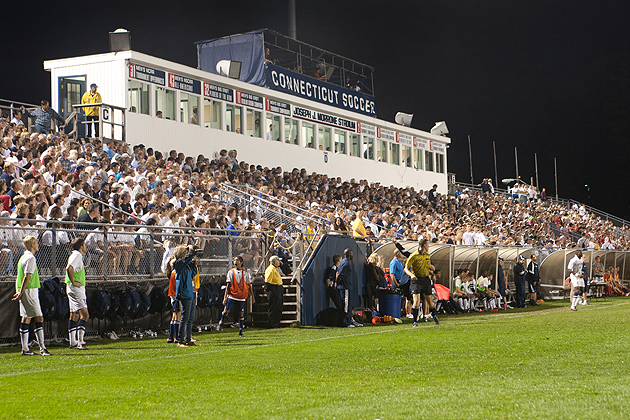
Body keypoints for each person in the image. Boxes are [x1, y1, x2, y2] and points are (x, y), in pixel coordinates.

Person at [11, 236, 52, 356]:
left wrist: (18, 291)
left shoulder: (22, 257)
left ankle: (25, 348)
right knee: (39, 317)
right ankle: (42, 348)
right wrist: (22, 291)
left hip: (24, 290)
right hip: (29, 291)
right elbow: (27, 276)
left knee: (26, 317)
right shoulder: (31, 258)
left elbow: (19, 276)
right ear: (32, 245)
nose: (38, 245)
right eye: (36, 243)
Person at [404, 238, 439, 326]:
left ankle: (434, 316)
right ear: (424, 245)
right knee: (416, 301)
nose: (428, 247)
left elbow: (427, 268)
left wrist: (432, 271)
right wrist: (411, 275)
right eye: (428, 245)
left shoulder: (427, 255)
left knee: (430, 302)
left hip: (426, 280)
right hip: (416, 280)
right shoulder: (414, 256)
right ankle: (415, 322)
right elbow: (406, 268)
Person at [218, 256, 254, 337]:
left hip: (241, 296)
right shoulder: (231, 272)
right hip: (232, 296)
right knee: (227, 311)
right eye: (234, 260)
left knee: (241, 313)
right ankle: (221, 321)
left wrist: (252, 296)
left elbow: (249, 284)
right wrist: (225, 297)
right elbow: (228, 285)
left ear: (241, 262)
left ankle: (241, 332)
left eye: (237, 260)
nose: (235, 261)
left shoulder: (245, 273)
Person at [65, 237, 89, 350]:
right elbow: (69, 268)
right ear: (81, 246)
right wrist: (74, 281)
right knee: (85, 314)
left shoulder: (75, 255)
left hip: (71, 287)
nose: (86, 247)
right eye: (84, 244)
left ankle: (73, 341)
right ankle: (80, 342)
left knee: (74, 314)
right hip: (76, 289)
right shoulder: (77, 255)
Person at [172, 245, 197, 347]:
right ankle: (180, 340)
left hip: (190, 292)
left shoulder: (186, 265)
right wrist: (191, 250)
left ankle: (188, 339)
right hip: (183, 293)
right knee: (185, 318)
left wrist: (193, 262)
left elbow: (193, 273)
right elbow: (187, 258)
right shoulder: (177, 264)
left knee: (190, 318)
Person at [336, 248, 361, 327]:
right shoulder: (346, 263)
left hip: (346, 286)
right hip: (345, 287)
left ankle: (350, 320)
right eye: (352, 254)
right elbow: (339, 274)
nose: (353, 255)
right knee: (346, 305)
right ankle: (346, 322)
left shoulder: (343, 262)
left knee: (348, 305)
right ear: (349, 255)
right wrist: (337, 283)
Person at [264, 255, 283, 329]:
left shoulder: (275, 269)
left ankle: (276, 323)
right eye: (278, 261)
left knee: (278, 307)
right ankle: (272, 323)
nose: (279, 262)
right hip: (273, 289)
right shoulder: (271, 269)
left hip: (278, 288)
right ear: (274, 262)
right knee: (274, 307)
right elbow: (268, 281)